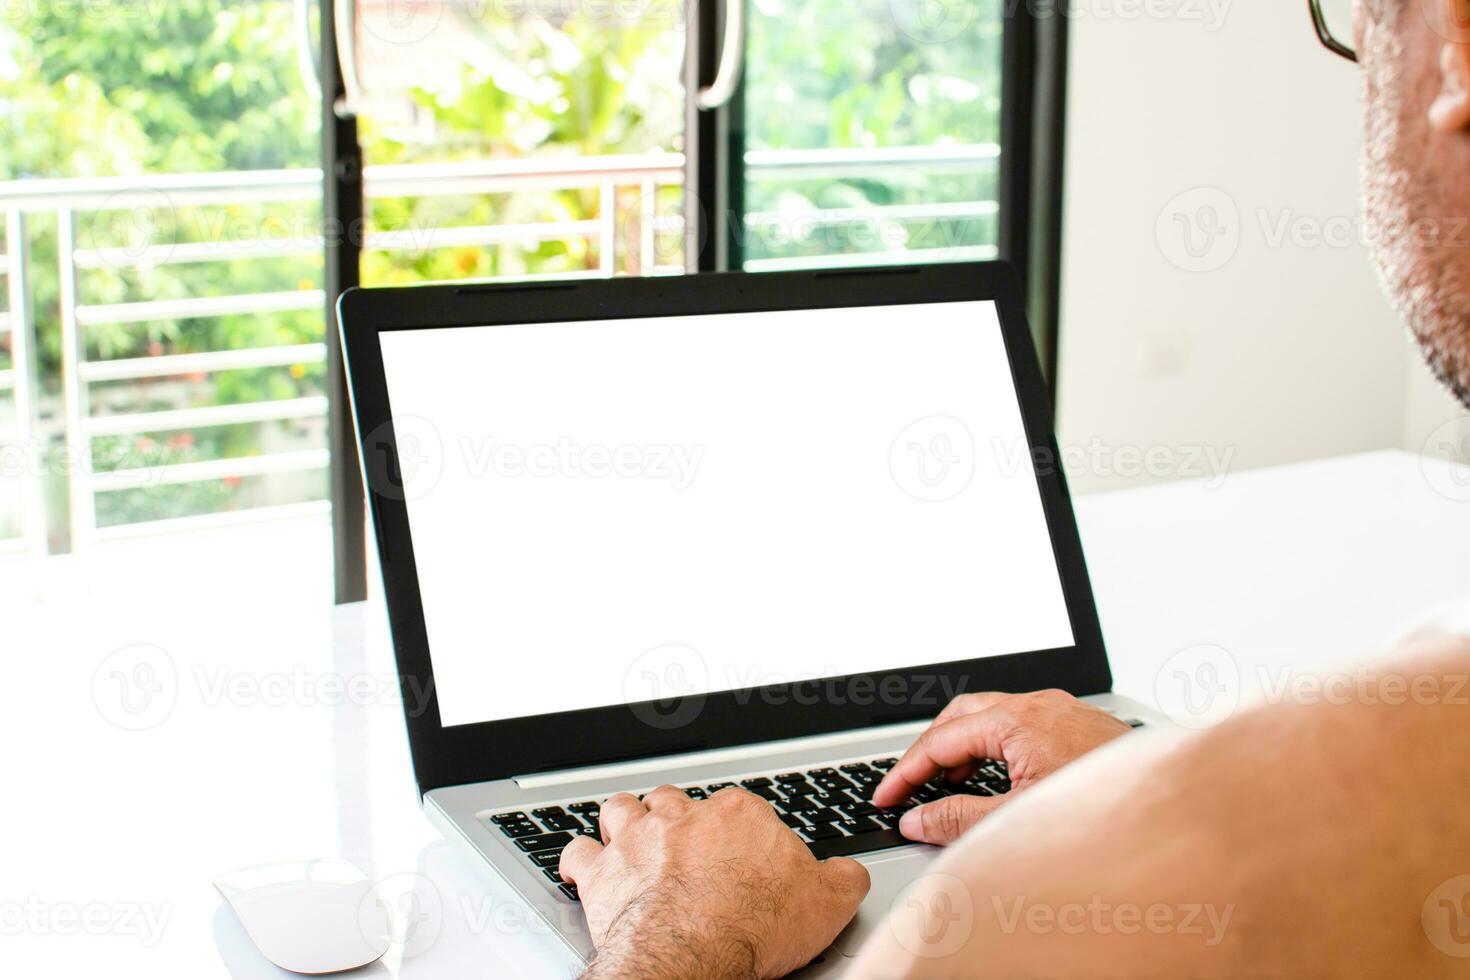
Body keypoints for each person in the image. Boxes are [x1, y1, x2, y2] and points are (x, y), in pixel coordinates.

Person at [562, 0, 1470, 974]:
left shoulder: (1038, 912)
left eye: (1361, 24)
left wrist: (686, 934)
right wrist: (1149, 774)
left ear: (1452, 44)